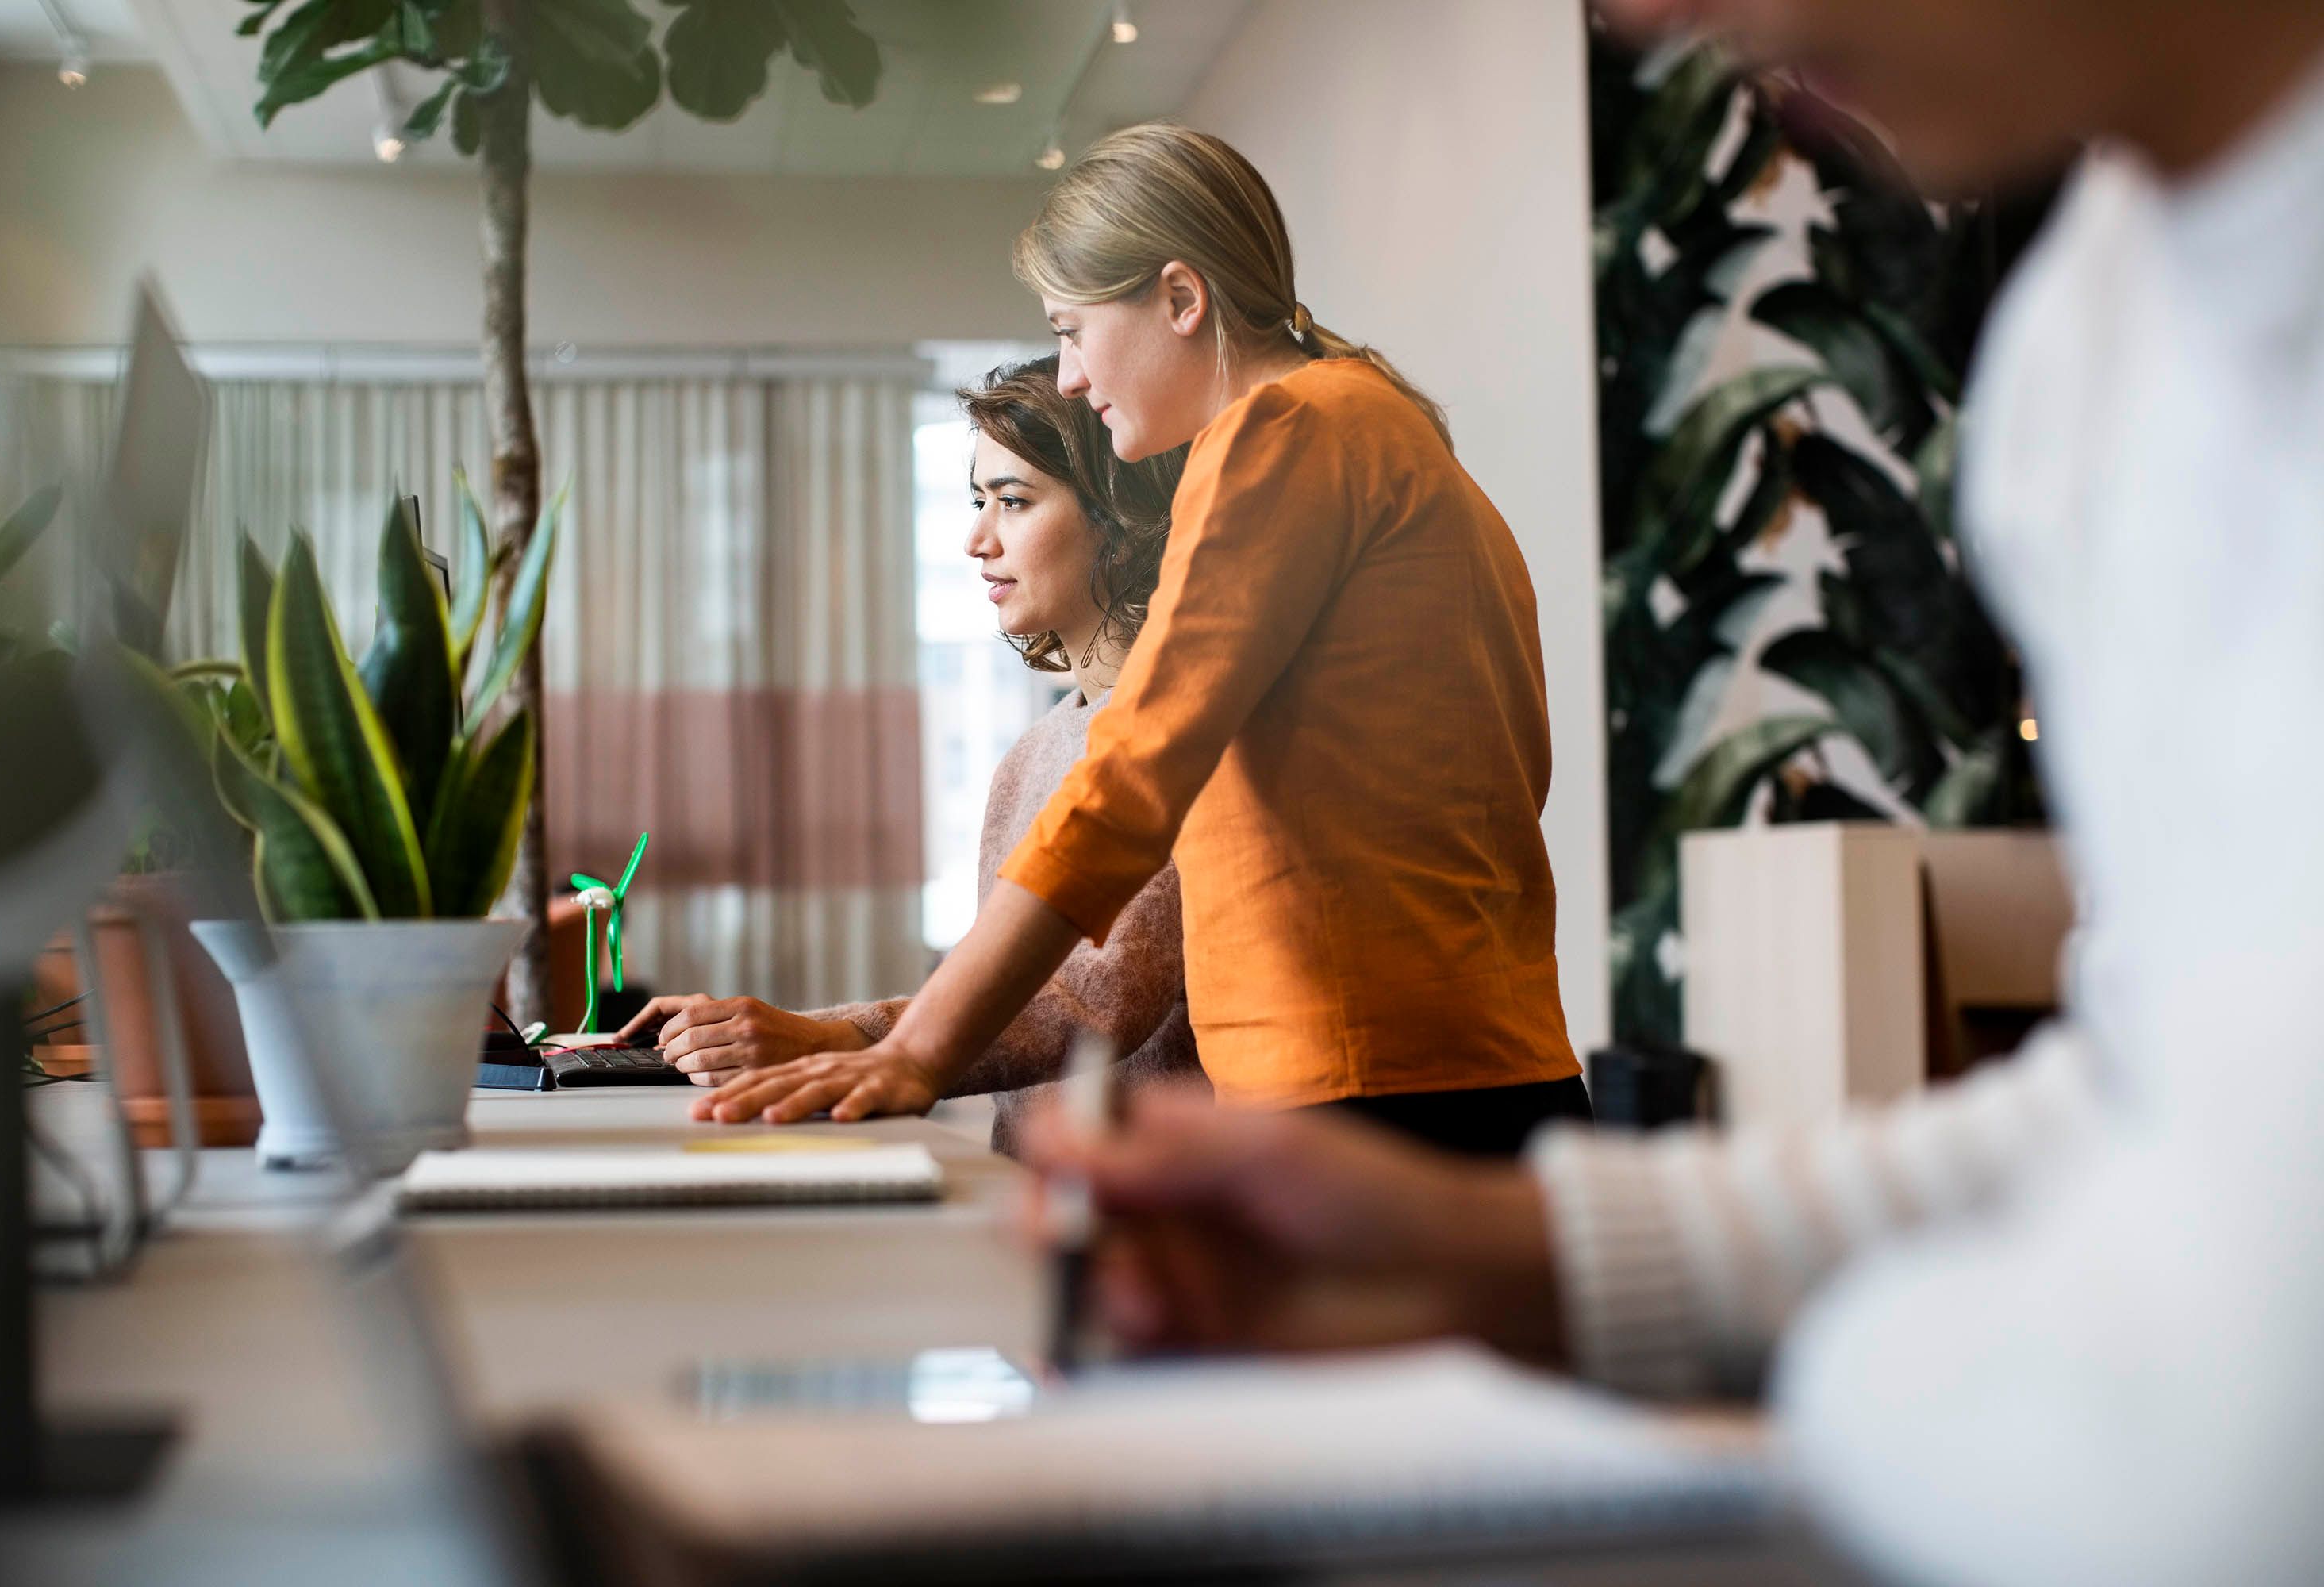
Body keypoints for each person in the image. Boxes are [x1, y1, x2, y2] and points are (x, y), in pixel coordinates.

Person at [1027, 3, 2324, 1584]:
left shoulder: (1300, 428)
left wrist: (1835, 1388)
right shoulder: (2090, 359)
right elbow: (2170, 1098)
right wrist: (1515, 1255)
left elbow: (2238, 1445)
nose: (1643, 16)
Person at [692, 124, 1589, 1158]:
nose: (1070, 375)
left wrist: (916, 1053)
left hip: (1374, 1093)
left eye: (1072, 330)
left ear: (1180, 298)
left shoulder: (1283, 431)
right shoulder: (1385, 430)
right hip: (1469, 1071)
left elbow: (1133, 776)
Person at [618, 358, 1202, 1156]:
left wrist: (839, 1038)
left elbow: (1092, 998)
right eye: (977, 500)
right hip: (1033, 1192)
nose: (976, 538)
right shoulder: (1032, 755)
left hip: (1152, 1219)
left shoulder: (1189, 728)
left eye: (1014, 501)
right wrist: (796, 1029)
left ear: (1119, 520)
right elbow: (1002, 988)